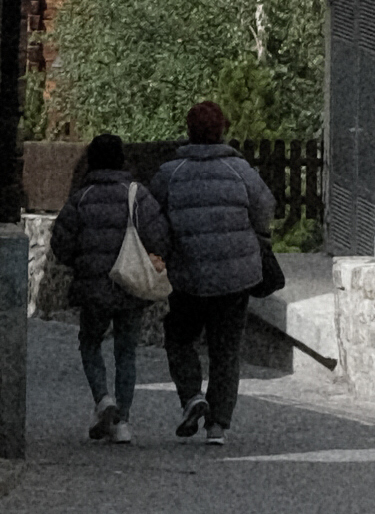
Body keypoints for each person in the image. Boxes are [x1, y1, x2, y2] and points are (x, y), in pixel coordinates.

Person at [148, 95, 282, 443]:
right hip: (235, 277)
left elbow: (152, 218)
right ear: (223, 131)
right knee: (226, 349)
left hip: (188, 275)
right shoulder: (239, 171)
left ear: (188, 131)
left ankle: (192, 395)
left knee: (178, 338)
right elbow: (266, 208)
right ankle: (218, 425)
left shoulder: (170, 173)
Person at [45, 133, 169, 442]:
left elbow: (60, 243)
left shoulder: (81, 198)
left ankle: (103, 398)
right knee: (126, 351)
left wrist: (82, 263)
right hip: (131, 286)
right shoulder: (137, 195)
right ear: (122, 160)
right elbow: (160, 237)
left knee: (90, 342)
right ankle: (123, 423)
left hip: (94, 288)